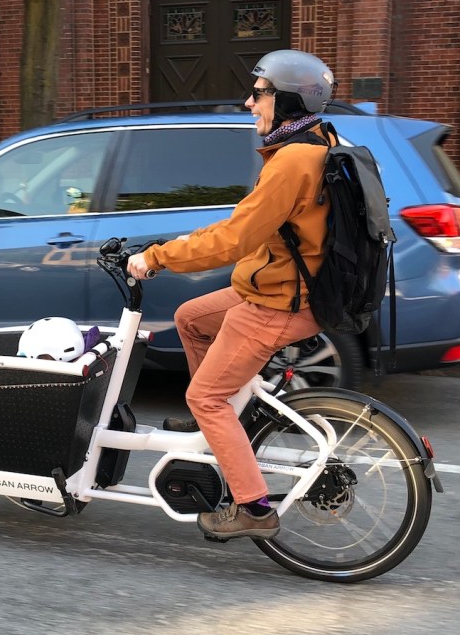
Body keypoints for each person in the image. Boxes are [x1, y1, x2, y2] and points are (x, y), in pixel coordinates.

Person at [126, 49, 337, 540]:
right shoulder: (318, 141)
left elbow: (234, 240)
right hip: (285, 290)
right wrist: (179, 244)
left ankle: (254, 509)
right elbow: (246, 225)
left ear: (285, 100)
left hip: (280, 302)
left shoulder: (292, 162)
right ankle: (223, 433)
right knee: (191, 316)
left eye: (259, 93)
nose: (249, 102)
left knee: (205, 397)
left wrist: (158, 256)